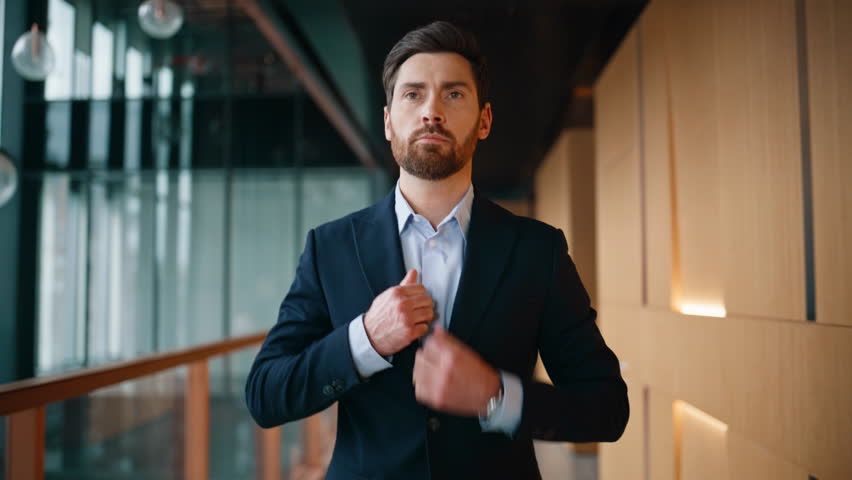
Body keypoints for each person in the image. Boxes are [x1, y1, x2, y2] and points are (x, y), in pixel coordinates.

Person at [245, 20, 628, 479]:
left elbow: (607, 407)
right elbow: (266, 395)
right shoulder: (330, 247)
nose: (432, 111)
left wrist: (495, 394)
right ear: (388, 122)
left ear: (484, 121)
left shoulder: (537, 250)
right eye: (412, 94)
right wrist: (365, 338)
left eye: (453, 94)